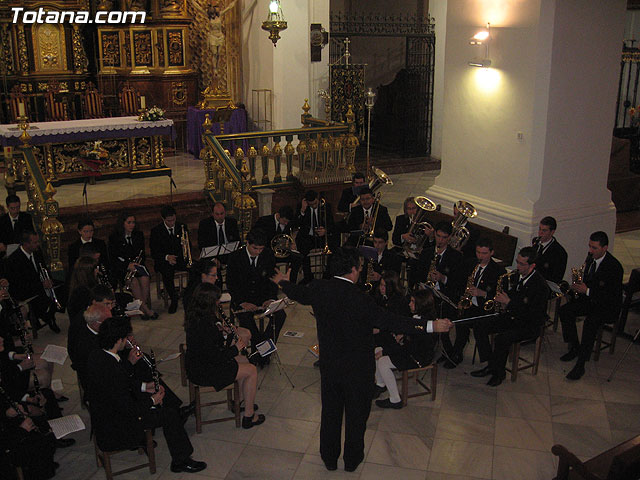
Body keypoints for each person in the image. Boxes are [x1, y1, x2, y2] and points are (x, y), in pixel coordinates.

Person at [270, 247, 452, 472]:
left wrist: (284, 283)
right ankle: (352, 460)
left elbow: (299, 293)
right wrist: (430, 325)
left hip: (330, 367)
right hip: (358, 369)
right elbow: (392, 321)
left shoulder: (319, 288)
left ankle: (329, 458)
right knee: (356, 417)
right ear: (353, 270)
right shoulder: (360, 298)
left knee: (331, 413)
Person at [87, 317, 206, 473]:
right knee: (169, 414)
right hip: (117, 427)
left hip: (108, 415)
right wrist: (152, 400)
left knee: (163, 404)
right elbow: (127, 408)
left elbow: (120, 385)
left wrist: (144, 387)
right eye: (126, 337)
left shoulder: (98, 355)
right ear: (119, 340)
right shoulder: (112, 370)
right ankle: (181, 460)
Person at [185, 283, 264, 429]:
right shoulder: (204, 325)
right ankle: (249, 416)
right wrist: (235, 348)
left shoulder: (198, 315)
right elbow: (215, 356)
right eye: (217, 300)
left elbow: (210, 346)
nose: (219, 302)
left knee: (244, 360)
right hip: (205, 371)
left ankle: (238, 402)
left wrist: (222, 331)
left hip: (199, 363)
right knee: (251, 370)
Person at [471, 246, 549, 386]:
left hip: (528, 324)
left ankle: (499, 373)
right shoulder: (514, 276)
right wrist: (503, 302)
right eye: (517, 262)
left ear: (532, 266)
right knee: (479, 325)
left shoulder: (540, 285)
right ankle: (491, 363)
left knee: (502, 339)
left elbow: (532, 313)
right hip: (512, 316)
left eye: (521, 264)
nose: (517, 266)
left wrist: (509, 302)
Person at [558, 231, 623, 380]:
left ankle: (581, 364)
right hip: (591, 300)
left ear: (604, 248)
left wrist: (586, 290)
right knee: (565, 311)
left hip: (606, 306)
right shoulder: (591, 260)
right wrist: (578, 286)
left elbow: (610, 296)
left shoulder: (614, 267)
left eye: (594, 248)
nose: (590, 251)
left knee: (590, 323)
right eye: (590, 246)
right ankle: (575, 346)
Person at [374, 289, 446, 409]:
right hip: (414, 351)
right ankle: (381, 384)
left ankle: (395, 399)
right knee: (377, 350)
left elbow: (410, 348)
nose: (409, 304)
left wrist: (386, 351)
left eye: (412, 301)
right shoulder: (422, 317)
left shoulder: (423, 322)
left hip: (418, 357)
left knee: (382, 362)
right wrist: (402, 336)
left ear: (421, 304)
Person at [443, 237, 506, 369]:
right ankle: (451, 350)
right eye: (478, 252)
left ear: (492, 253)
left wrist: (482, 293)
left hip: (485, 308)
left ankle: (485, 360)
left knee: (472, 325)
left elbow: (500, 296)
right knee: (449, 315)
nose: (480, 256)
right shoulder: (470, 263)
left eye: (484, 253)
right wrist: (461, 297)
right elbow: (458, 282)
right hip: (468, 304)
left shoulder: (499, 271)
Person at [226, 230, 285, 353]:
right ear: (247, 243)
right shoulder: (235, 257)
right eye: (255, 248)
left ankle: (263, 348)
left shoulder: (268, 254)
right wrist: (242, 302)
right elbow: (231, 284)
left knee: (280, 315)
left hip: (263, 297)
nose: (258, 252)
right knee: (247, 321)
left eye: (261, 249)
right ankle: (262, 351)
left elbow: (272, 280)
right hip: (243, 299)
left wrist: (270, 298)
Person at [6, 230, 60, 333]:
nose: (38, 244)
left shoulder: (37, 252)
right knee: (44, 301)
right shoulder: (14, 260)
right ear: (26, 244)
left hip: (40, 284)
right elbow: (19, 283)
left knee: (62, 289)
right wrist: (41, 285)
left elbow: (43, 268)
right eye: (35, 242)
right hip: (27, 290)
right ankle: (48, 318)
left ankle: (50, 314)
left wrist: (48, 279)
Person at [108, 212, 157, 319]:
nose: (132, 225)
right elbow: (113, 258)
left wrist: (137, 264)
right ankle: (147, 310)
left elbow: (142, 254)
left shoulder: (138, 235)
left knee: (145, 279)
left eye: (133, 222)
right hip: (123, 269)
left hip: (137, 266)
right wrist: (127, 265)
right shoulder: (114, 238)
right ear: (122, 223)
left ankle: (141, 309)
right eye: (129, 222)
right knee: (133, 282)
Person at [150, 205, 190, 314]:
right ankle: (174, 299)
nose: (172, 223)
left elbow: (188, 245)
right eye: (169, 221)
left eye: (173, 219)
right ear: (163, 219)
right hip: (164, 261)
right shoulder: (156, 231)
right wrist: (167, 257)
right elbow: (154, 252)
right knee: (167, 273)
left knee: (194, 268)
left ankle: (190, 295)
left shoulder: (182, 227)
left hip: (179, 258)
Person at [295, 190, 336, 283]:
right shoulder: (302, 207)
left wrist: (325, 231)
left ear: (318, 199)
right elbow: (296, 224)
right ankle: (308, 276)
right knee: (302, 248)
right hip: (309, 237)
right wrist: (302, 211)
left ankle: (328, 275)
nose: (313, 206)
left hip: (322, 236)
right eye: (311, 204)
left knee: (333, 246)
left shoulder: (326, 206)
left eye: (315, 203)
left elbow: (332, 224)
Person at [253, 205, 302, 283]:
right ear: (278, 215)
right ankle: (270, 284)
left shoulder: (288, 223)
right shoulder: (264, 221)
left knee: (298, 258)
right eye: (284, 221)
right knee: (269, 260)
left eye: (287, 222)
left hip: (281, 252)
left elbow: (288, 237)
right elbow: (256, 237)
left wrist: (290, 245)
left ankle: (291, 284)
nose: (286, 223)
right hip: (267, 252)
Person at [532, 216, 568, 284]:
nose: (540, 233)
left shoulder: (560, 253)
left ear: (552, 232)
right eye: (540, 229)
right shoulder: (535, 242)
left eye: (544, 230)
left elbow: (556, 278)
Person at [0, 194, 34, 260]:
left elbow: (30, 234)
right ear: (7, 207)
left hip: (23, 249)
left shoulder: (26, 217)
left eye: (18, 207)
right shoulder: (2, 220)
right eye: (12, 208)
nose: (15, 211)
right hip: (6, 252)